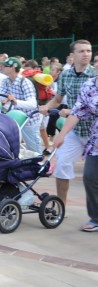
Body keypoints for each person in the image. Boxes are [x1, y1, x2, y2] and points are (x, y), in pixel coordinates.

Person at [39, 40, 96, 205]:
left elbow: (87, 106)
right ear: (72, 55)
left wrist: (71, 111)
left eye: (88, 51)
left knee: (92, 175)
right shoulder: (66, 74)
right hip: (75, 131)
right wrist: (46, 107)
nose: (86, 54)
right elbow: (58, 99)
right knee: (62, 166)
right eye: (81, 51)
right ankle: (61, 206)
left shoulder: (94, 76)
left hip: (94, 132)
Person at [53, 75, 98, 232]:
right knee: (90, 176)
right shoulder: (90, 84)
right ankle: (96, 217)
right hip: (95, 139)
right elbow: (77, 112)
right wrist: (61, 135)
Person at [0, 57, 43, 153]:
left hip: (29, 120)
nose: (2, 67)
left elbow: (33, 104)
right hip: (16, 119)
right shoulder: (5, 81)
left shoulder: (25, 82)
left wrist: (16, 101)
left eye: (5, 66)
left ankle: (40, 166)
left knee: (34, 149)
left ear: (12, 68)